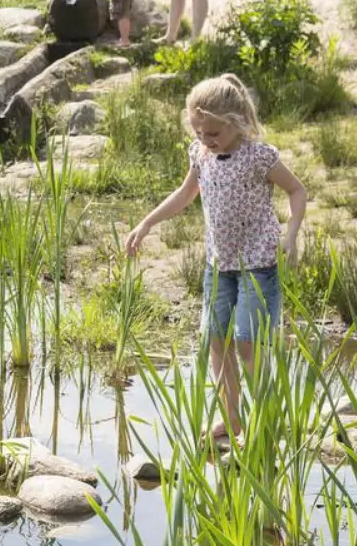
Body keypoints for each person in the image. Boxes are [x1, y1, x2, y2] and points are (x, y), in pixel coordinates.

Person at [124, 75, 307, 444]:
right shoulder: (200, 154)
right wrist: (146, 223)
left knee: (247, 342)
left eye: (213, 134)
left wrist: (291, 235)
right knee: (216, 340)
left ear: (237, 121)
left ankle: (264, 422)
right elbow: (184, 194)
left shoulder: (259, 156)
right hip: (218, 266)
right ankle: (232, 418)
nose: (205, 141)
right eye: (198, 132)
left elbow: (297, 190)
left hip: (258, 264)